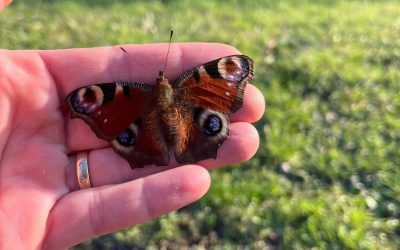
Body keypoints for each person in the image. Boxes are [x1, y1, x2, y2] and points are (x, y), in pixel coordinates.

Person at [0, 43, 265, 249]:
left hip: (157, 123)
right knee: (197, 123)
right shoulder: (186, 83)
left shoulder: (132, 94)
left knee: (142, 131)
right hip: (182, 119)